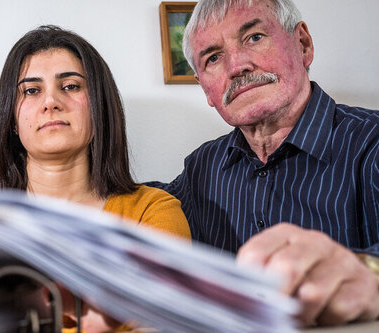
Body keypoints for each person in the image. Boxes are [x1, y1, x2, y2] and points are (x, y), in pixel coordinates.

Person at [146, 0, 379, 327]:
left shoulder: (372, 143)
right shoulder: (202, 166)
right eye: (213, 57)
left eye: (254, 37)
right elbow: (135, 204)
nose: (236, 66)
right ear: (207, 91)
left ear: (303, 44)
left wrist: (368, 272)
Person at [0, 25, 191, 332]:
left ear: (99, 107)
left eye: (71, 86)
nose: (51, 102)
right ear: (10, 117)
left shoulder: (153, 212)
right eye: (32, 91)